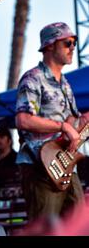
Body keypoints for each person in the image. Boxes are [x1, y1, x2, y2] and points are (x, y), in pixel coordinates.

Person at [15, 21, 89, 221]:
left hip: (66, 164)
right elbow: (23, 120)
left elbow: (73, 121)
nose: (73, 47)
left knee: (80, 226)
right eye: (67, 43)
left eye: (74, 42)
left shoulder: (65, 84)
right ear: (49, 46)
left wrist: (81, 122)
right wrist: (63, 126)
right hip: (40, 165)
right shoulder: (32, 79)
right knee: (46, 229)